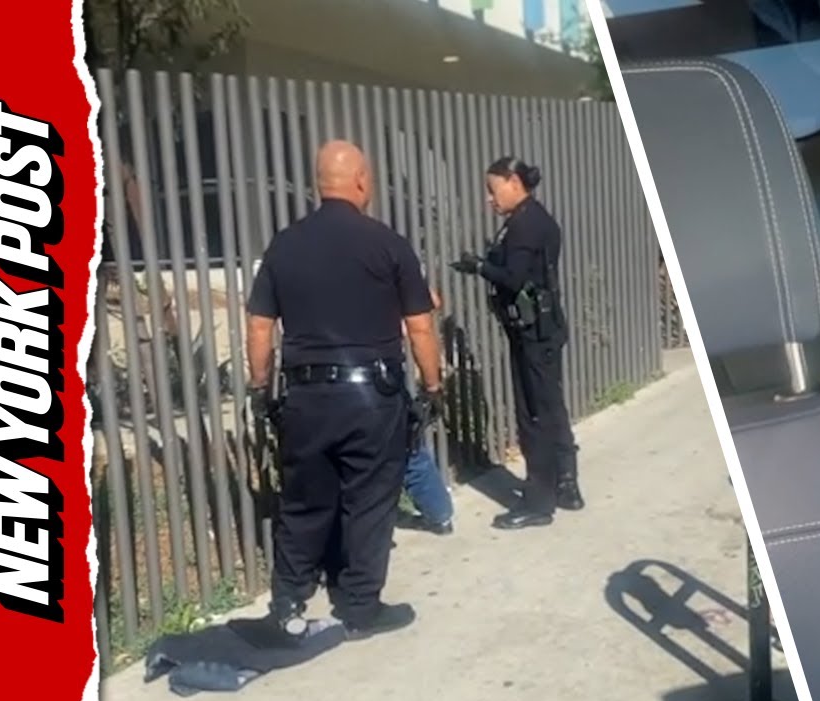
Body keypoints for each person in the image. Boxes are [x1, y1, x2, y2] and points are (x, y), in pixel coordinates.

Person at [245, 139, 443, 640]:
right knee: (370, 501)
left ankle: (287, 602)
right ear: (360, 180)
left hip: (306, 397)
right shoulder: (388, 244)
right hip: (372, 396)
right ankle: (360, 607)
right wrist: (433, 385)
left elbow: (260, 327)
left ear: (319, 184)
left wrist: (259, 386)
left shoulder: (284, 245)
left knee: (304, 502)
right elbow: (420, 326)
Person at [450, 156, 581, 531]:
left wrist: (480, 267)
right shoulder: (535, 218)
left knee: (533, 415)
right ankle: (566, 484)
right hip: (542, 328)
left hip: (533, 331)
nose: (489, 199)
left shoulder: (524, 225)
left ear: (513, 182)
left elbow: (513, 277)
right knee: (549, 406)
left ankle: (539, 502)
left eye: (492, 190)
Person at [401, 286, 454, 535]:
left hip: (332, 373)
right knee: (408, 447)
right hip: (383, 365)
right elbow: (430, 300)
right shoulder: (388, 262)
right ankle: (439, 513)